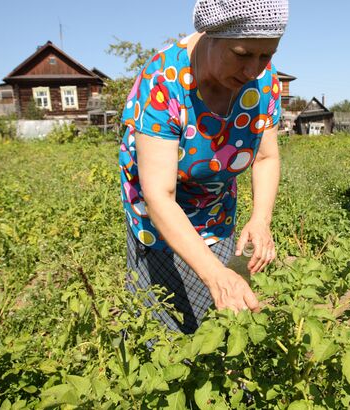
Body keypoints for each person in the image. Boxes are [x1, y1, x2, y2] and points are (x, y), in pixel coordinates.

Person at [119, 0, 289, 334]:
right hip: (158, 212)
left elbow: (266, 157)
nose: (254, 70)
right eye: (242, 54)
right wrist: (214, 275)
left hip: (215, 205)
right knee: (166, 321)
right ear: (211, 34)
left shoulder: (264, 82)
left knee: (219, 316)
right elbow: (159, 197)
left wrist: (260, 219)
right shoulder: (163, 82)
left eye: (266, 55)